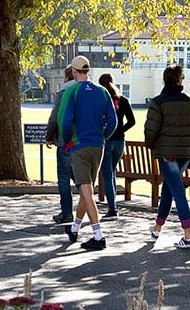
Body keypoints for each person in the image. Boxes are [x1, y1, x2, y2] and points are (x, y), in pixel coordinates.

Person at [56, 55, 117, 251]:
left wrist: (66, 141)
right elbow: (113, 121)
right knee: (87, 188)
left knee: (85, 189)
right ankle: (74, 229)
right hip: (98, 144)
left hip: (79, 144)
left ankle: (98, 235)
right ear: (88, 70)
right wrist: (103, 136)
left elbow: (64, 121)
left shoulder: (71, 91)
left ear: (74, 71)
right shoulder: (102, 92)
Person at [144, 64, 190, 249]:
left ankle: (188, 234)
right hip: (185, 152)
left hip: (166, 152)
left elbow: (151, 130)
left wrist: (151, 145)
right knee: (169, 189)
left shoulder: (158, 102)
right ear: (180, 79)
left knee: (177, 191)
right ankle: (157, 227)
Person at [96, 73, 135, 220]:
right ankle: (112, 206)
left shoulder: (101, 101)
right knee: (112, 172)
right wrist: (120, 131)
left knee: (108, 174)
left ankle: (112, 208)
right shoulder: (123, 100)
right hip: (119, 142)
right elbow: (132, 121)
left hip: (106, 140)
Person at [43, 66, 77, 224]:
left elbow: (55, 116)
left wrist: (49, 136)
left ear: (66, 77)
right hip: (84, 140)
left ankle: (67, 212)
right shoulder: (89, 91)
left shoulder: (63, 93)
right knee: (80, 178)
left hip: (65, 139)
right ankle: (88, 208)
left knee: (64, 177)